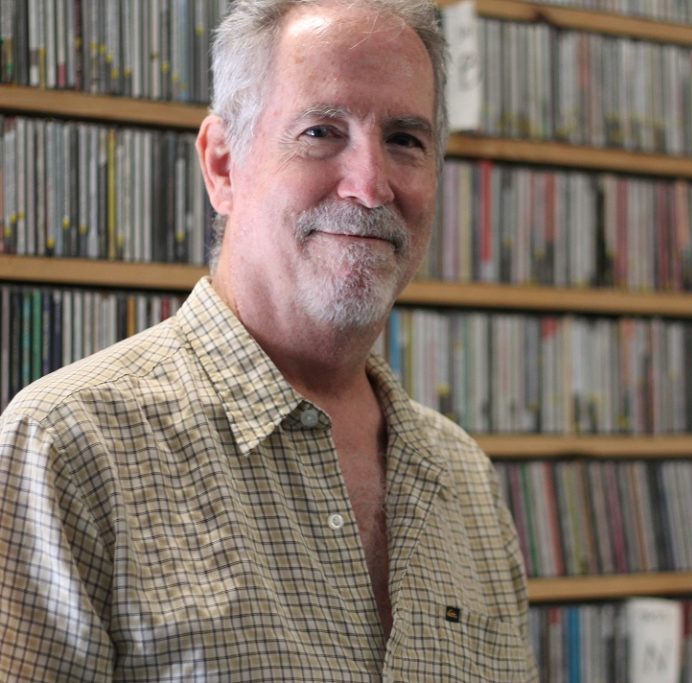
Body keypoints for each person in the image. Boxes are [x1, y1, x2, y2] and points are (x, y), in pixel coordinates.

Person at [0, 1, 537, 680]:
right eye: (320, 131)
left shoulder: (464, 479)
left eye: (405, 139)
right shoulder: (70, 446)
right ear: (223, 165)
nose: (370, 185)